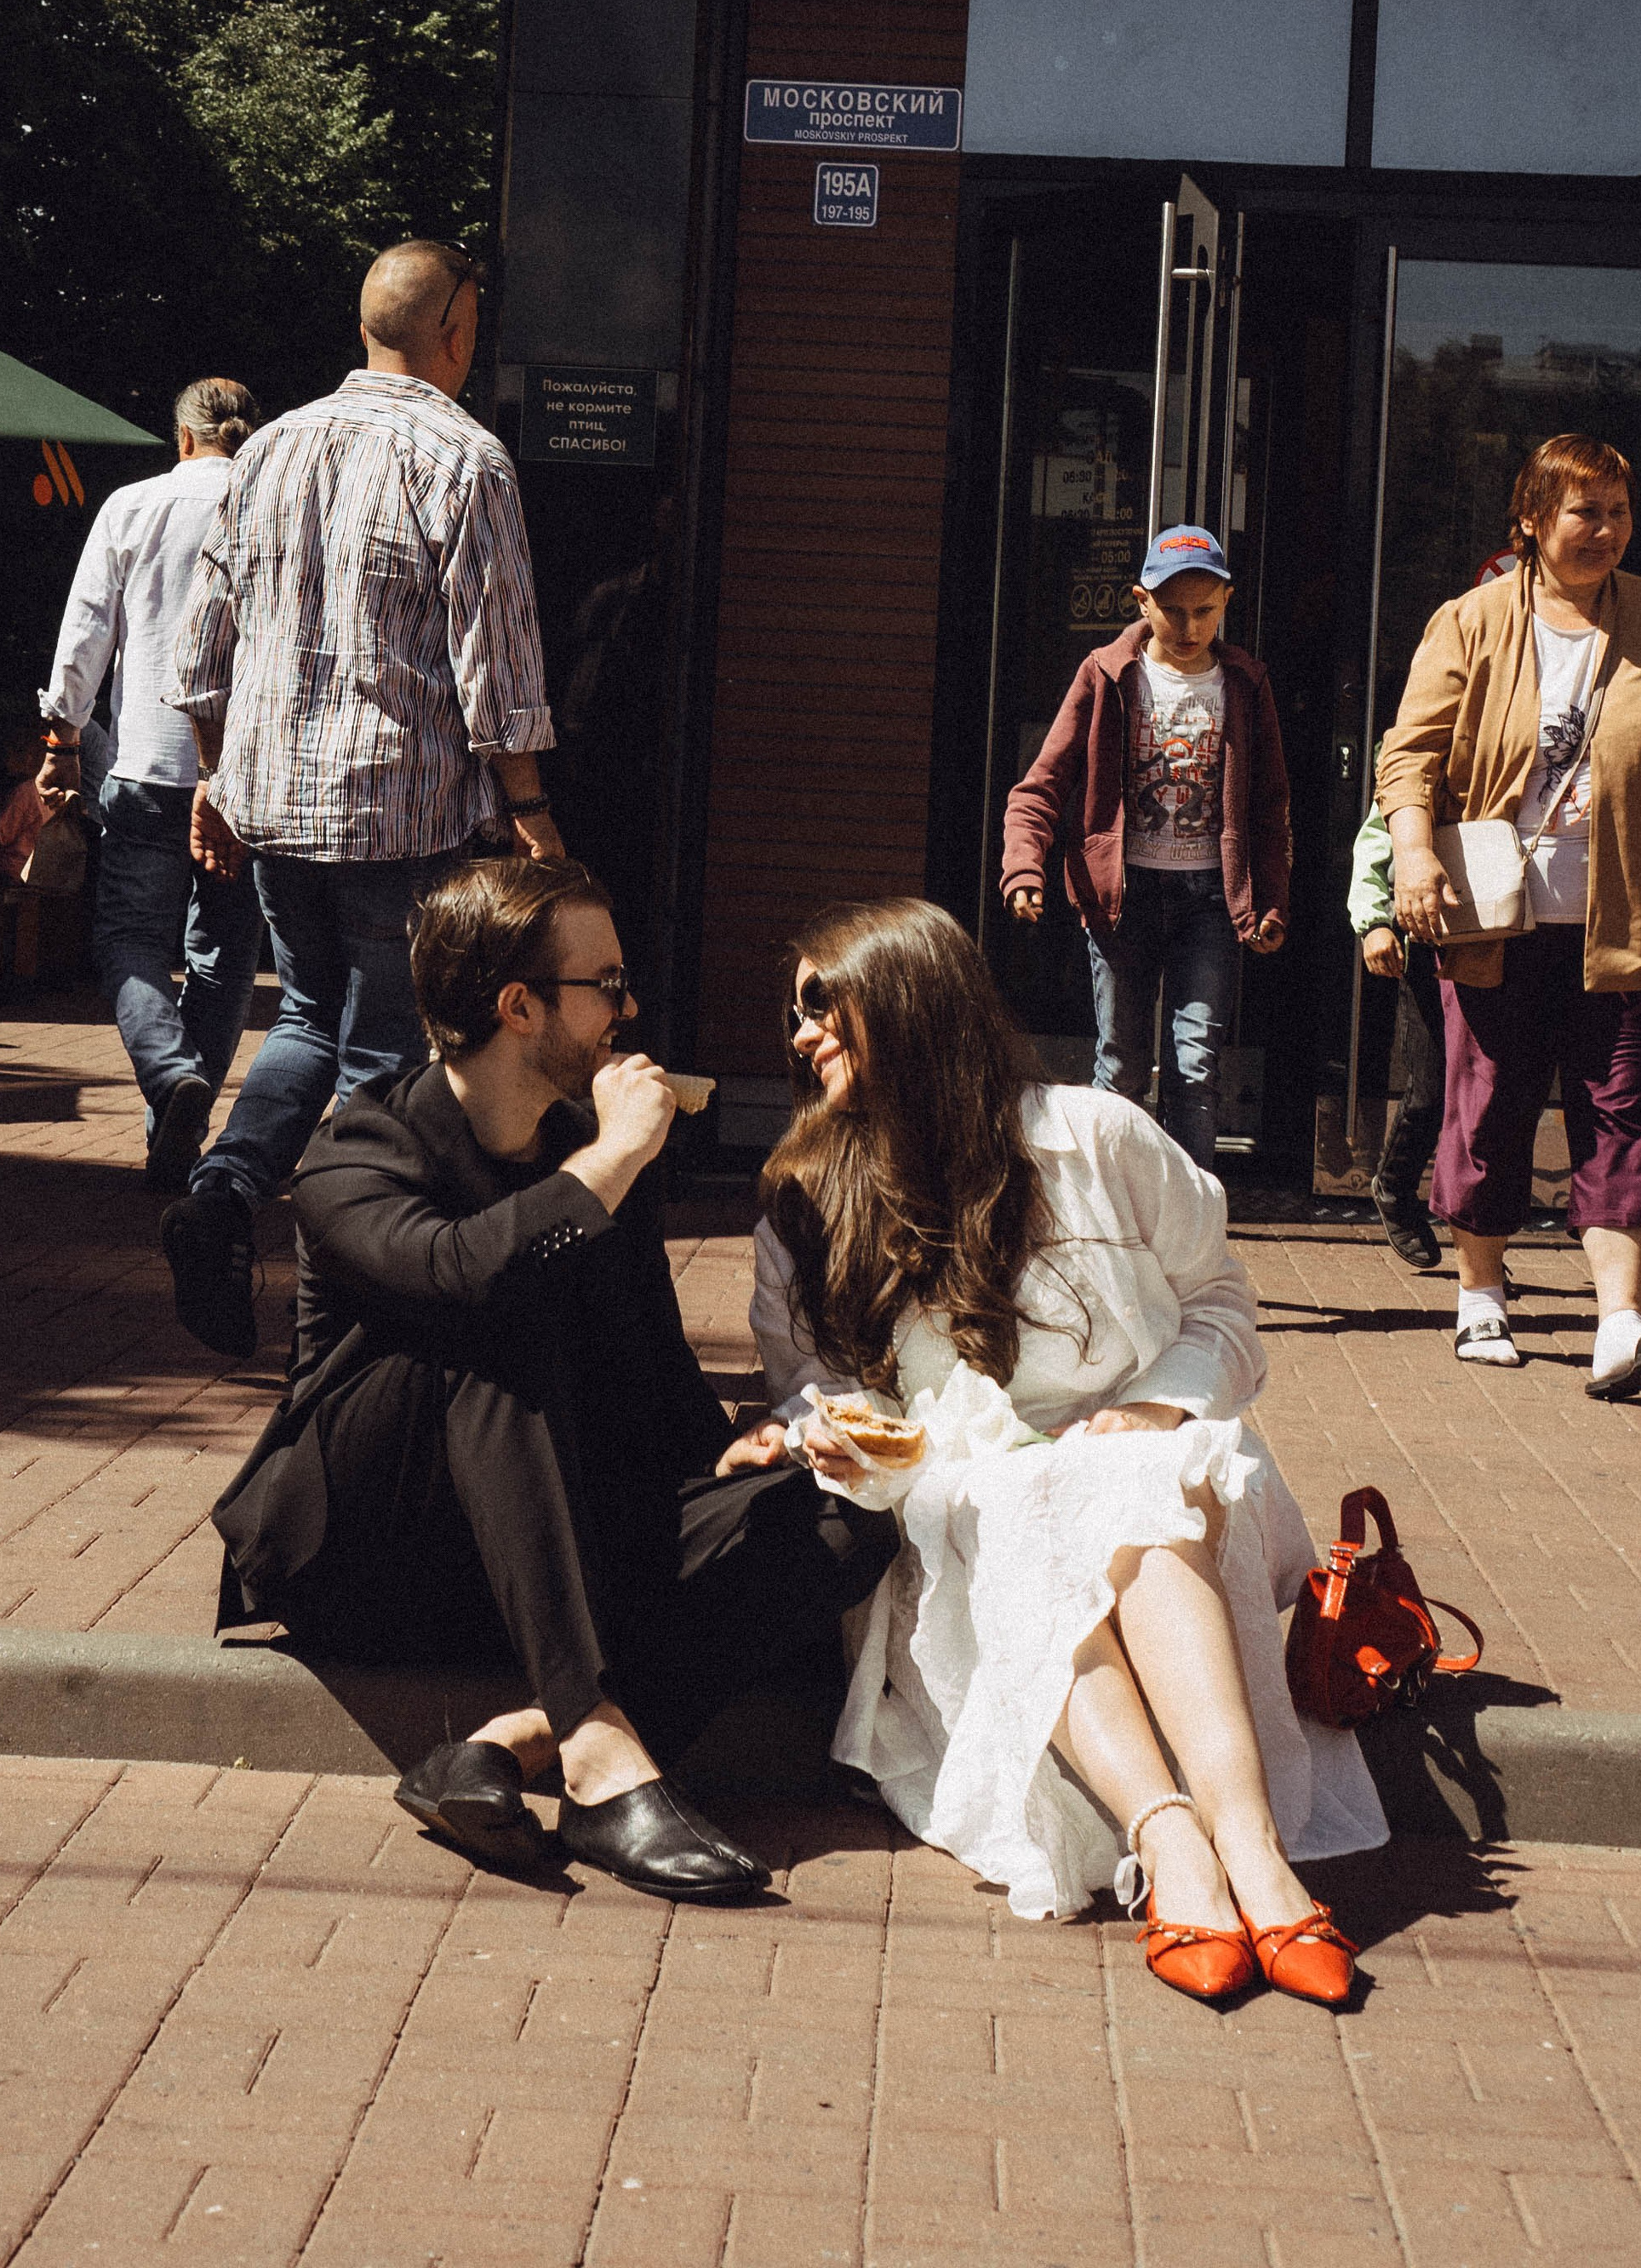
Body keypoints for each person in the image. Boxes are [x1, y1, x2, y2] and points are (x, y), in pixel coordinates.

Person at [210, 856, 898, 1900]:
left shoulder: (585, 1146)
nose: (629, 1010)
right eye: (607, 986)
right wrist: (613, 1160)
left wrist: (727, 1452)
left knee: (842, 1515)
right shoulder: (359, 1148)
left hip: (539, 1561)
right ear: (519, 1006)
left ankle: (509, 1751)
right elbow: (459, 1273)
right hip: (370, 1559)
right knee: (491, 1318)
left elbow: (649, 1358)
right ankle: (594, 1742)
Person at [751, 898, 1386, 2000]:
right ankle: (1175, 1838)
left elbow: (1223, 1309)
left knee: (1123, 1479)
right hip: (965, 1515)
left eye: (825, 1009)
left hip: (1167, 1485)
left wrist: (1159, 1406)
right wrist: (852, 1441)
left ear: (913, 1010)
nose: (801, 1037)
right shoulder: (805, 1199)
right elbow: (813, 1391)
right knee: (1024, 1505)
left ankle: (1250, 1847)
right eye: (795, 1014)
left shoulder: (1097, 1137)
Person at [161, 247, 560, 1359]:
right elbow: (498, 657)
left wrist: (215, 778)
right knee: (382, 1048)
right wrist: (529, 805)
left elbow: (201, 652)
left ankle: (225, 1191)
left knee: (303, 1017)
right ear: (456, 336)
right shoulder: (467, 459)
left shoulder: (268, 449)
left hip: (278, 801)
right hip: (405, 808)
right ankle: (336, 1295)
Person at [1379, 434, 1641, 1397]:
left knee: (1624, 1112)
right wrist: (1416, 854)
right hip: (1502, 920)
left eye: (1618, 513)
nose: (1604, 532)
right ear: (1532, 519)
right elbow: (1408, 754)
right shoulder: (1469, 620)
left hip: (1637, 918)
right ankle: (1480, 1299)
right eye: (1583, 513)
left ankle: (1621, 1328)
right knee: (1492, 1107)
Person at [1002, 524, 1292, 1169]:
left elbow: (1270, 805)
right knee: (1122, 1065)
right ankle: (1116, 1205)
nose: (1189, 626)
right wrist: (1024, 867)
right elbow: (1041, 787)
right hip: (1122, 899)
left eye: (1206, 611)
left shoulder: (1243, 682)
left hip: (1210, 902)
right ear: (1141, 601)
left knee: (1195, 1066)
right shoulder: (1107, 674)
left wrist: (1269, 900)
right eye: (1173, 610)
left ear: (1226, 602)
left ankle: (1189, 1217)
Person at [37, 379, 267, 1189]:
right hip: (247, 772)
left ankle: (170, 1079)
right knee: (224, 954)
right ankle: (178, 1123)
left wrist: (62, 734)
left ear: (181, 437)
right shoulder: (278, 502)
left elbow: (87, 627)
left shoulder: (132, 506)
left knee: (129, 940)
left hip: (147, 763)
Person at [1346, 776, 1444, 1268]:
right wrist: (1374, 922)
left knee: (1488, 1102)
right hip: (1431, 937)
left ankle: (1478, 1239)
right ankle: (1395, 1185)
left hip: (1505, 938)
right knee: (1431, 1090)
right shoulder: (1419, 744)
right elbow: (1376, 843)